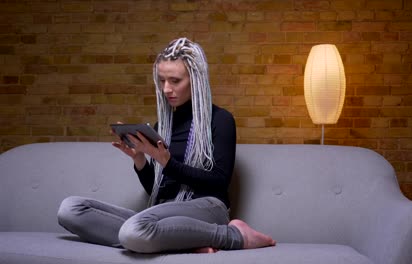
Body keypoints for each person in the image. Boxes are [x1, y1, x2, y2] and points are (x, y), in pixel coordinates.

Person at [57, 37, 276, 253]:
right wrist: (140, 159)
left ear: (196, 79)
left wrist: (167, 162)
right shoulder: (163, 124)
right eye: (161, 80)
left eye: (175, 80)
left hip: (208, 207)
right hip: (164, 210)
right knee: (70, 209)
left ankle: (234, 235)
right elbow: (158, 188)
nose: (166, 89)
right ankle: (181, 241)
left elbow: (219, 181)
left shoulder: (221, 120)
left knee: (134, 230)